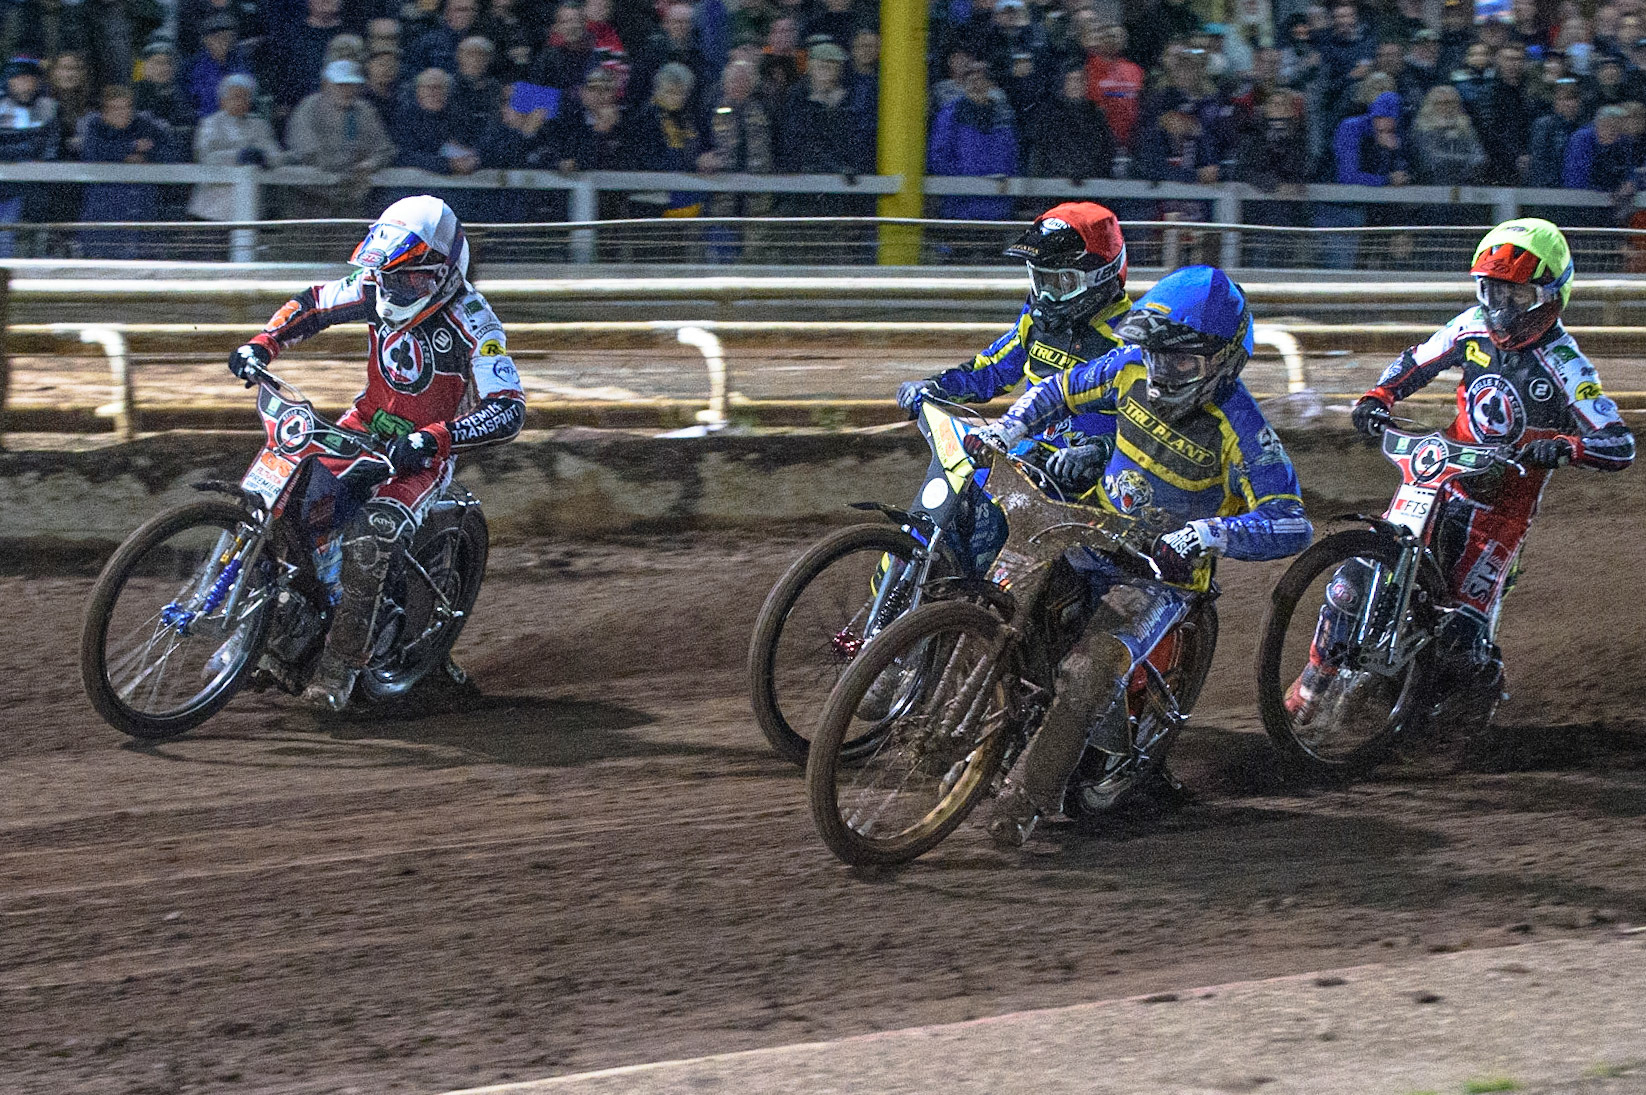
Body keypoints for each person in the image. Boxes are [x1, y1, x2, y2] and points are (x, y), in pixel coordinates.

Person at [972, 265, 1312, 846]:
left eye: (1182, 361)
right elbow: (1061, 389)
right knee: (997, 599)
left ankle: (1022, 805)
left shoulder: (1242, 427)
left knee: (1088, 669)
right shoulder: (1129, 367)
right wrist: (1010, 428)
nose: (1162, 371)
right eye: (1155, 354)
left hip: (1159, 573)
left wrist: (1210, 534)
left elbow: (1291, 520)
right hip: (1092, 530)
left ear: (1222, 362)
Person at [1294, 220, 1635, 730]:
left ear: (1548, 296)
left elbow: (1619, 443)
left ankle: (1469, 709)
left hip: (1501, 509)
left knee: (1460, 636)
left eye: (1514, 294)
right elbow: (1417, 361)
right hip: (1437, 479)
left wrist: (1563, 447)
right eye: (1491, 290)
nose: (1500, 307)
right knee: (1352, 582)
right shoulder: (1471, 326)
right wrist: (1378, 397)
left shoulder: (1567, 365)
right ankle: (1308, 690)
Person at [226, 195, 526, 710]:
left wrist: (435, 438)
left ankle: (339, 671)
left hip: (424, 452)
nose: (394, 288)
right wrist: (263, 342)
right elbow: (315, 302)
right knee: (288, 507)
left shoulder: (476, 322)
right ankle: (265, 635)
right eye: (389, 275)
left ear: (446, 271)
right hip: (362, 426)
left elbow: (508, 407)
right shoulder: (375, 286)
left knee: (371, 537)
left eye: (411, 278)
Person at [898, 202, 1133, 497]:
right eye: (1040, 280)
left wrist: (1101, 449)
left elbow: (1156, 426)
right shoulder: (1034, 322)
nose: (1047, 295)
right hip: (1027, 452)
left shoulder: (1129, 339)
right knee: (966, 491)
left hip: (1099, 478)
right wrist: (934, 385)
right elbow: (994, 369)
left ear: (1101, 276)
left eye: (1061, 282)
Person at [189, 74, 284, 222]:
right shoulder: (210, 124)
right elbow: (207, 156)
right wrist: (239, 155)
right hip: (212, 208)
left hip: (250, 205)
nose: (240, 102)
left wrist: (261, 157)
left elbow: (276, 156)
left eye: (245, 98)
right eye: (235, 97)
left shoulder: (259, 125)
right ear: (223, 101)